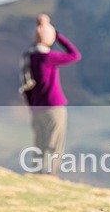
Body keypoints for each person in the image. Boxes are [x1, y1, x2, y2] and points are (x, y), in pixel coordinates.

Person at [22, 14, 81, 176]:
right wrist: (58, 36)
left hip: (36, 109)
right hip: (53, 107)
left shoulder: (29, 58)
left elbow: (26, 88)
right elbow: (74, 55)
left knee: (39, 145)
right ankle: (49, 177)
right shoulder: (48, 58)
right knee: (53, 145)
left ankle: (36, 175)